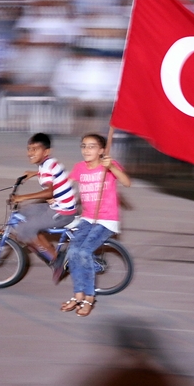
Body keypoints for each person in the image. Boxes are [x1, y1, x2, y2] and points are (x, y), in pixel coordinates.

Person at [60, 133, 130, 317]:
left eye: (92, 146)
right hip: (88, 218)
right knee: (73, 252)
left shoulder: (108, 166)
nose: (86, 150)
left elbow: (126, 182)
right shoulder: (79, 167)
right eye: (83, 146)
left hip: (106, 220)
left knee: (84, 252)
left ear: (101, 150)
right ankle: (77, 295)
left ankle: (89, 298)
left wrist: (111, 168)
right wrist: (55, 195)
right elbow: (65, 185)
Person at [10, 132, 77, 270]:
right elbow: (51, 175)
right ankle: (43, 242)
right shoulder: (49, 163)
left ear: (46, 151)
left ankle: (56, 259)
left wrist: (22, 197)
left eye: (35, 149)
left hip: (61, 212)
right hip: (60, 206)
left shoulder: (46, 167)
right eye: (29, 149)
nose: (30, 152)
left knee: (24, 229)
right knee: (24, 212)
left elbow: (49, 192)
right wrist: (34, 173)